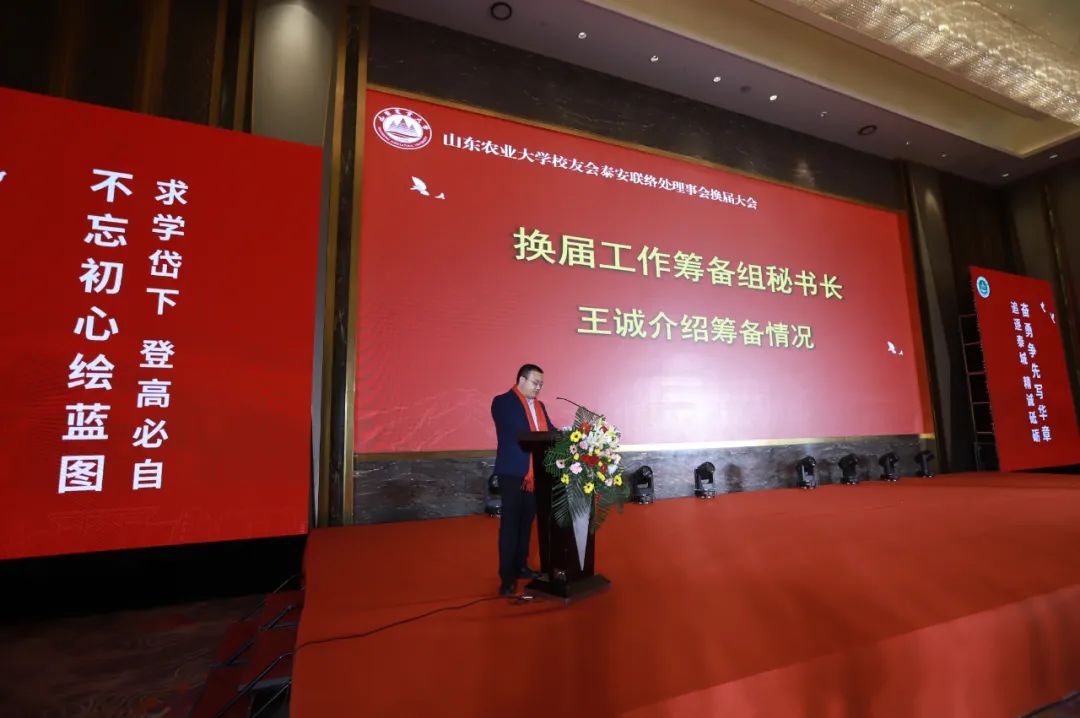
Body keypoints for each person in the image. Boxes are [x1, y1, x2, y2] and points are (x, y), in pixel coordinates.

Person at [491, 363, 556, 596]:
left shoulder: (540, 406)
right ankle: (507, 577)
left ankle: (521, 566)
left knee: (526, 523)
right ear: (521, 380)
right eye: (535, 383)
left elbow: (550, 430)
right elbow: (517, 432)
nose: (539, 388)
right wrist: (545, 437)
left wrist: (570, 437)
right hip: (513, 473)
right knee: (510, 525)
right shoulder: (502, 402)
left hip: (535, 474)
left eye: (541, 384)